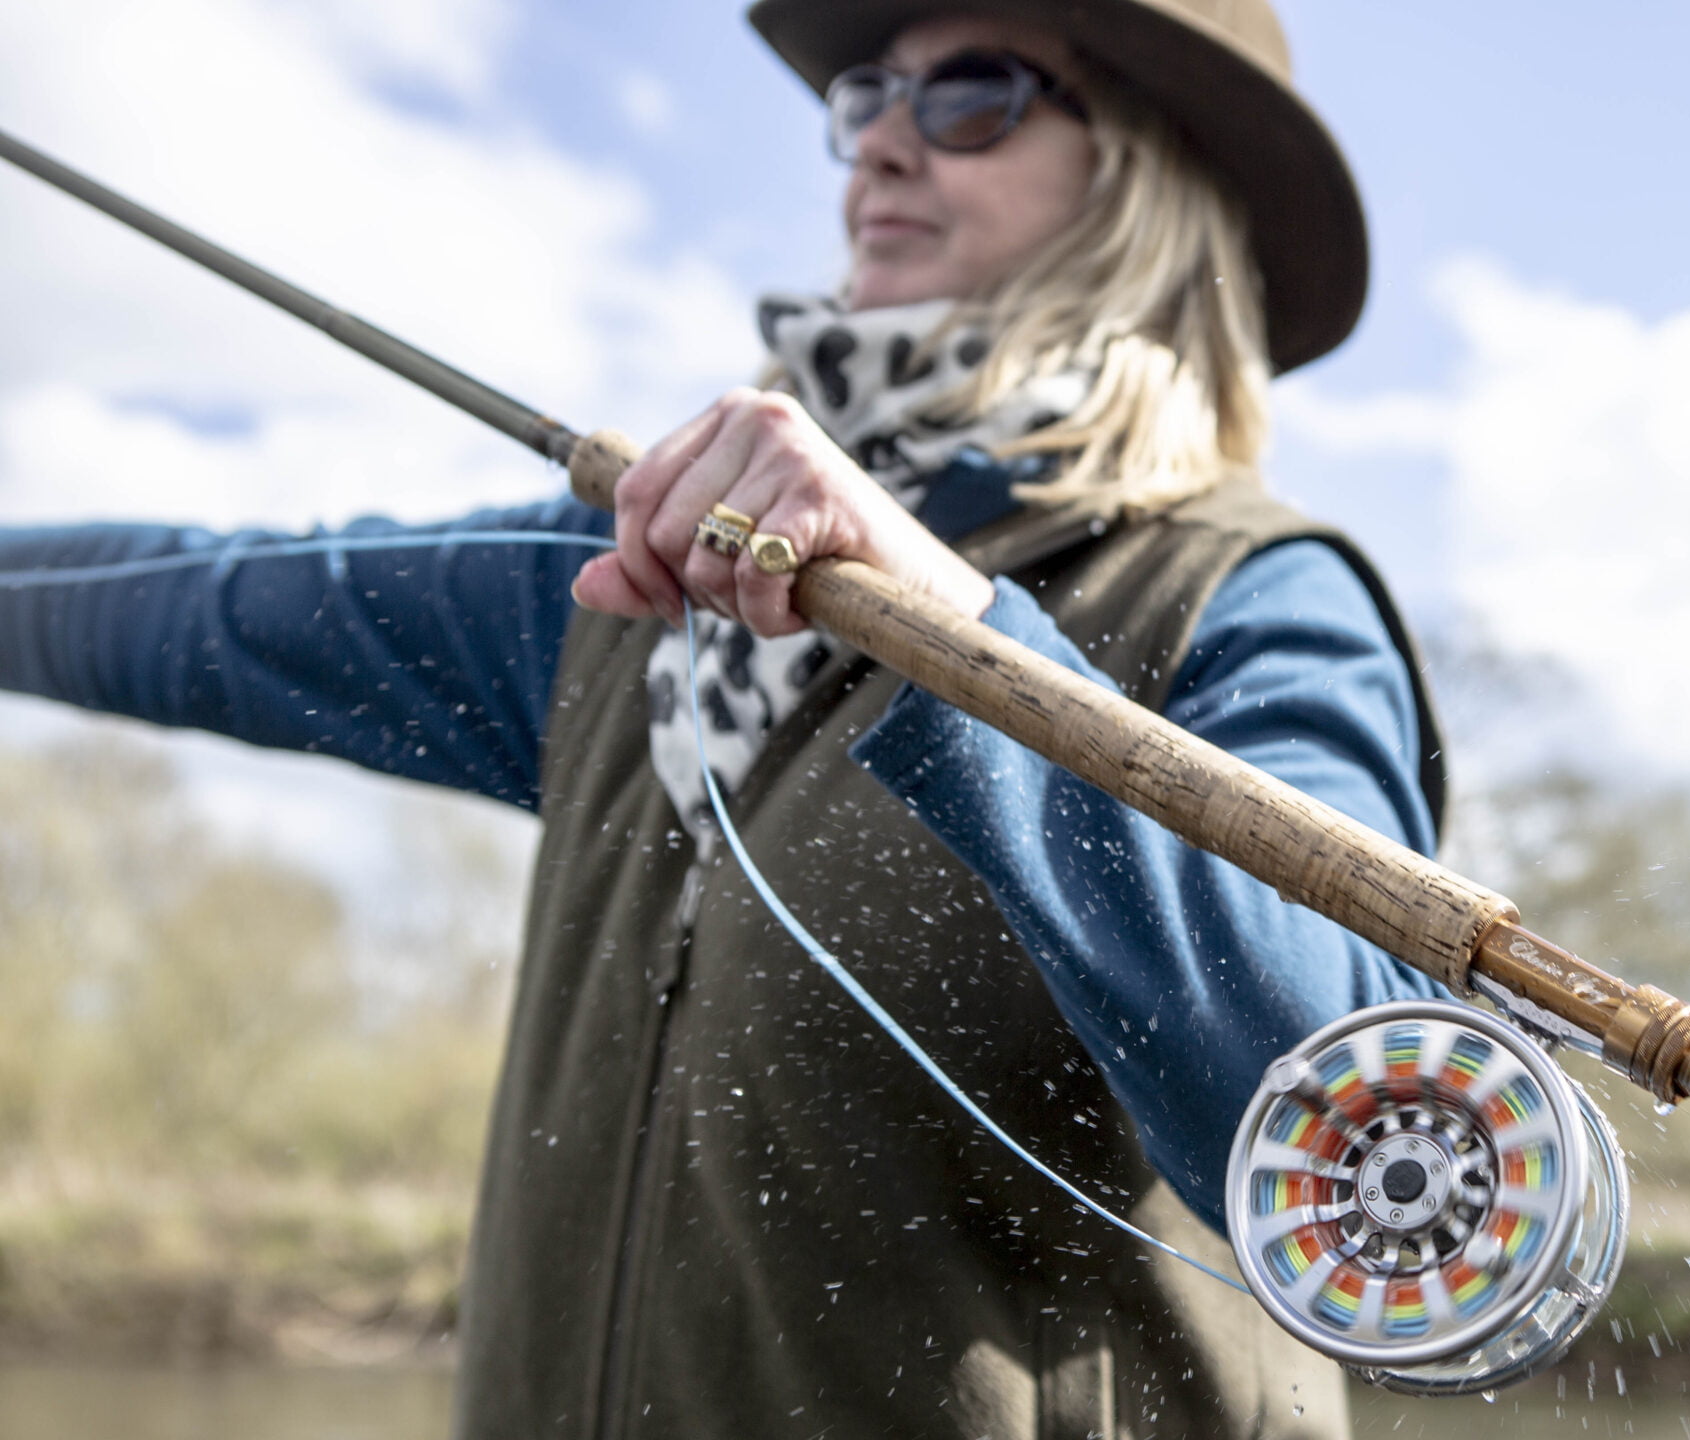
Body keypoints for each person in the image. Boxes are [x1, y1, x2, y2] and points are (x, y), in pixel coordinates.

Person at [0, 2, 1447, 1436]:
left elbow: (1372, 1127)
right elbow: (200, 601)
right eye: (873, 95)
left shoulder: (1254, 596)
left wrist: (960, 641)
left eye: (975, 96)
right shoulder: (633, 582)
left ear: (1155, 174)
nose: (879, 141)